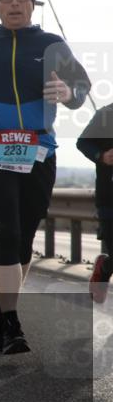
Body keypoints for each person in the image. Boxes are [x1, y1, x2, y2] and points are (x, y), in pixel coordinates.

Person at [0, 0, 91, 354]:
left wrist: (69, 93)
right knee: (8, 231)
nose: (13, 4)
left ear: (32, 5)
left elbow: (81, 87)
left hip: (39, 148)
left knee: (26, 235)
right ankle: (11, 322)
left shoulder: (50, 45)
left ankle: (3, 305)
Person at [76, 104, 112, 304]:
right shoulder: (105, 115)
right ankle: (105, 267)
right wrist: (102, 156)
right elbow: (83, 143)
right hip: (109, 198)